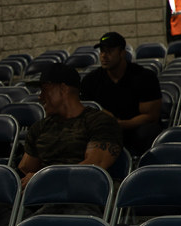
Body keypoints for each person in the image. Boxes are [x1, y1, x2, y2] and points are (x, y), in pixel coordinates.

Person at [19, 64, 123, 192]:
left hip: (83, 194)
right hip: (44, 194)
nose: (40, 97)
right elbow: (26, 167)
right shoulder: (40, 127)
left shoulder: (100, 122)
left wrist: (44, 178)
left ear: (63, 88)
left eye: (44, 90)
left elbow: (93, 167)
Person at [80, 32, 162, 155]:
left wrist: (122, 124)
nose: (104, 56)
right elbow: (86, 110)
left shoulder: (144, 77)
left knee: (148, 131)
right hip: (104, 129)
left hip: (135, 128)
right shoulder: (90, 80)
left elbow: (151, 116)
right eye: (102, 51)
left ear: (122, 53)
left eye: (109, 51)